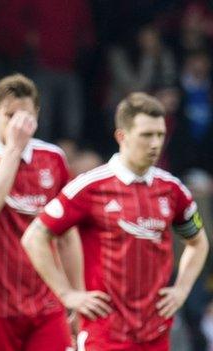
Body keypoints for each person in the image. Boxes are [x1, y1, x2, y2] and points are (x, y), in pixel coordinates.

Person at [22, 92, 209, 351]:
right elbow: (34, 237)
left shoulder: (173, 190)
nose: (155, 143)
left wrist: (182, 289)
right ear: (122, 136)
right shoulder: (89, 187)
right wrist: (67, 295)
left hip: (156, 332)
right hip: (105, 334)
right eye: (146, 135)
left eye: (160, 134)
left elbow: (198, 242)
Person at [0, 73, 81, 351]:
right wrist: (14, 149)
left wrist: (76, 297)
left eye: (27, 117)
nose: (20, 126)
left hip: (46, 303)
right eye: (11, 116)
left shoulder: (53, 159)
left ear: (38, 115)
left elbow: (67, 236)